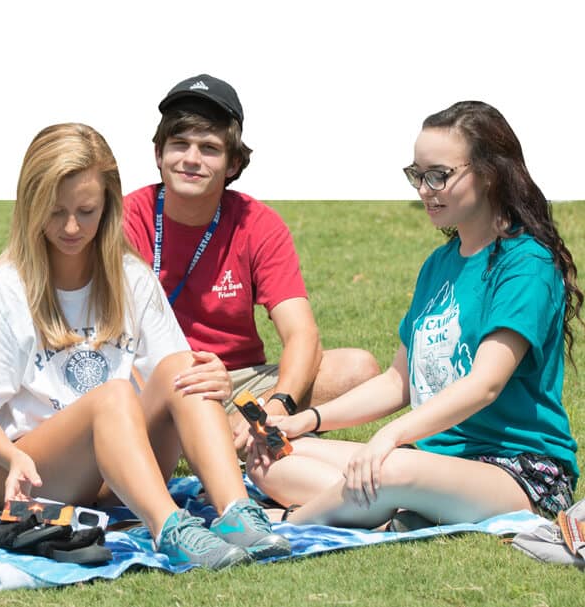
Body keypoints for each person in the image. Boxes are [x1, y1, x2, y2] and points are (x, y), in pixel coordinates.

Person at [0, 123, 291, 569]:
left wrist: (209, 374)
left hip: (116, 465)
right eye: (56, 212)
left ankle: (236, 513)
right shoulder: (7, 288)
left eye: (87, 210)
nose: (72, 227)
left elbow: (178, 375)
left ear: (109, 206)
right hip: (27, 472)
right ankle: (170, 528)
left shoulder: (129, 275)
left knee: (181, 365)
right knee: (114, 394)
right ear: (30, 205)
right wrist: (13, 456)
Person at [247, 101, 581, 528]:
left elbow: (485, 384)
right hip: (432, 461)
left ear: (490, 173)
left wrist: (391, 436)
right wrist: (304, 422)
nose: (425, 189)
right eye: (417, 175)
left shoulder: (526, 263)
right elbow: (397, 381)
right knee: (270, 455)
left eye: (438, 175)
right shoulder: (438, 265)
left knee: (389, 469)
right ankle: (395, 509)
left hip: (516, 472)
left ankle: (282, 526)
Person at [123, 74, 381, 456]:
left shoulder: (257, 223)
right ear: (158, 154)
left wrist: (275, 406)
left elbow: (302, 336)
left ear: (233, 163)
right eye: (179, 144)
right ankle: (206, 438)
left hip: (236, 382)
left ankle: (226, 434)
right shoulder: (128, 217)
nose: (191, 159)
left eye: (209, 148)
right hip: (150, 380)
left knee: (359, 370)